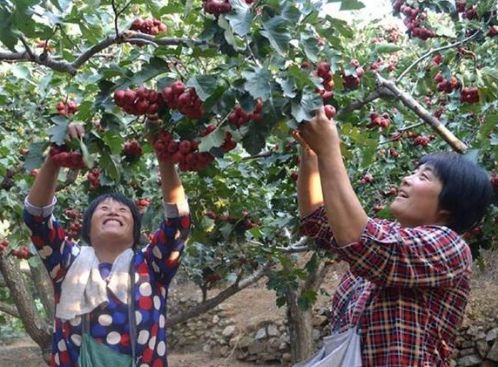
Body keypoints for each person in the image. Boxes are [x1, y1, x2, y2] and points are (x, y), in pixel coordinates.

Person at [293, 107, 494, 367]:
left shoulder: (451, 247)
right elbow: (317, 222)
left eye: (423, 176)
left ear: (450, 205)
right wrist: (311, 153)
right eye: (413, 172)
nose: (407, 179)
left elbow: (366, 244)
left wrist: (330, 150)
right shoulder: (389, 234)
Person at [23, 123, 190, 367]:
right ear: (88, 228)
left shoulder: (152, 265)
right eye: (103, 209)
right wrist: (55, 158)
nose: (113, 211)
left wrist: (164, 156)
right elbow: (36, 219)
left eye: (123, 210)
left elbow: (178, 223)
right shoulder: (67, 262)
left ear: (134, 231)